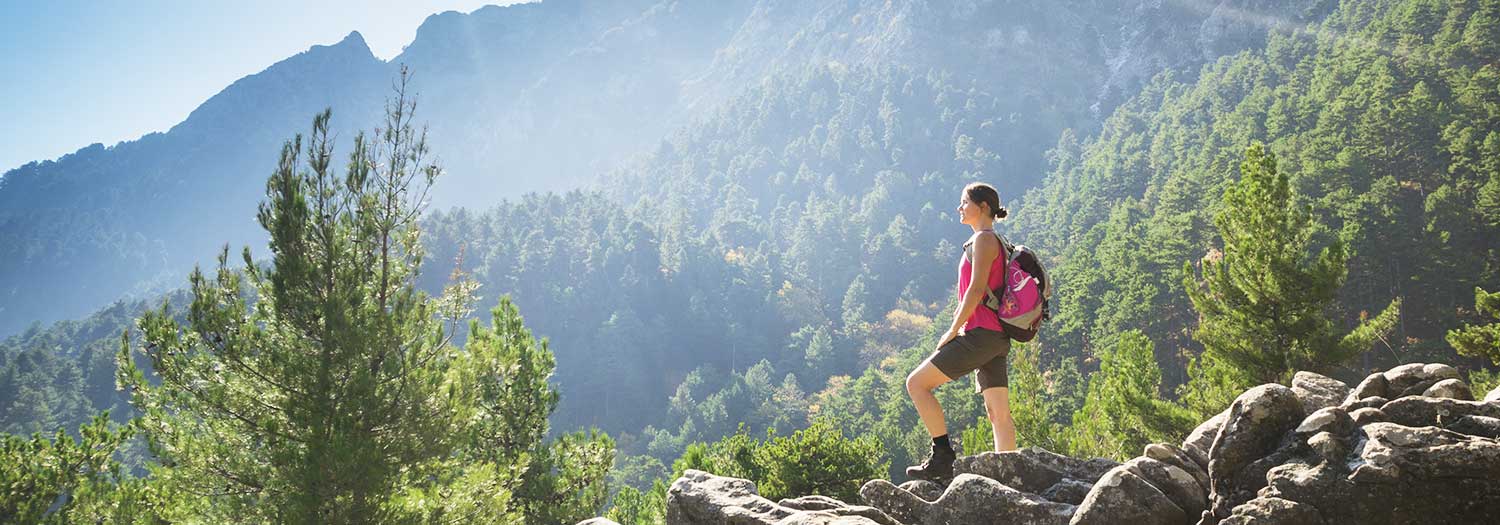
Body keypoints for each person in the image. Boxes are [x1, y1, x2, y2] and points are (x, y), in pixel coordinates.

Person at [903, 182, 1015, 481]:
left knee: (916, 384)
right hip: (996, 337)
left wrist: (952, 330)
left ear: (983, 207)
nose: (959, 207)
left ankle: (942, 456)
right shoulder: (997, 242)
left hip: (979, 334)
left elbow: (976, 289)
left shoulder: (983, 240)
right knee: (998, 413)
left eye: (964, 202)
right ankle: (1008, 475)